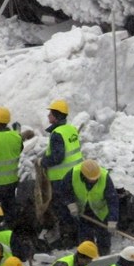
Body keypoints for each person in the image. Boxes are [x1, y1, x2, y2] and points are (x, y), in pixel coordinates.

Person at [39, 99, 84, 246]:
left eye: (50, 113)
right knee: (74, 208)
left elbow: (58, 157)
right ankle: (79, 237)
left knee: (64, 211)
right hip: (75, 174)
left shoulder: (57, 134)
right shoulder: (70, 129)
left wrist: (43, 161)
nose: (48, 116)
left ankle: (69, 240)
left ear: (56, 115)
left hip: (61, 179)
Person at [69, 159, 119, 257]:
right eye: (91, 178)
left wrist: (113, 220)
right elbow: (64, 191)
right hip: (83, 212)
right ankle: (88, 262)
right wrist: (71, 205)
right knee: (86, 241)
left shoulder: (104, 176)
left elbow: (112, 199)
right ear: (84, 175)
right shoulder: (73, 174)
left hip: (100, 212)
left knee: (104, 239)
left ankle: (104, 260)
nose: (94, 180)